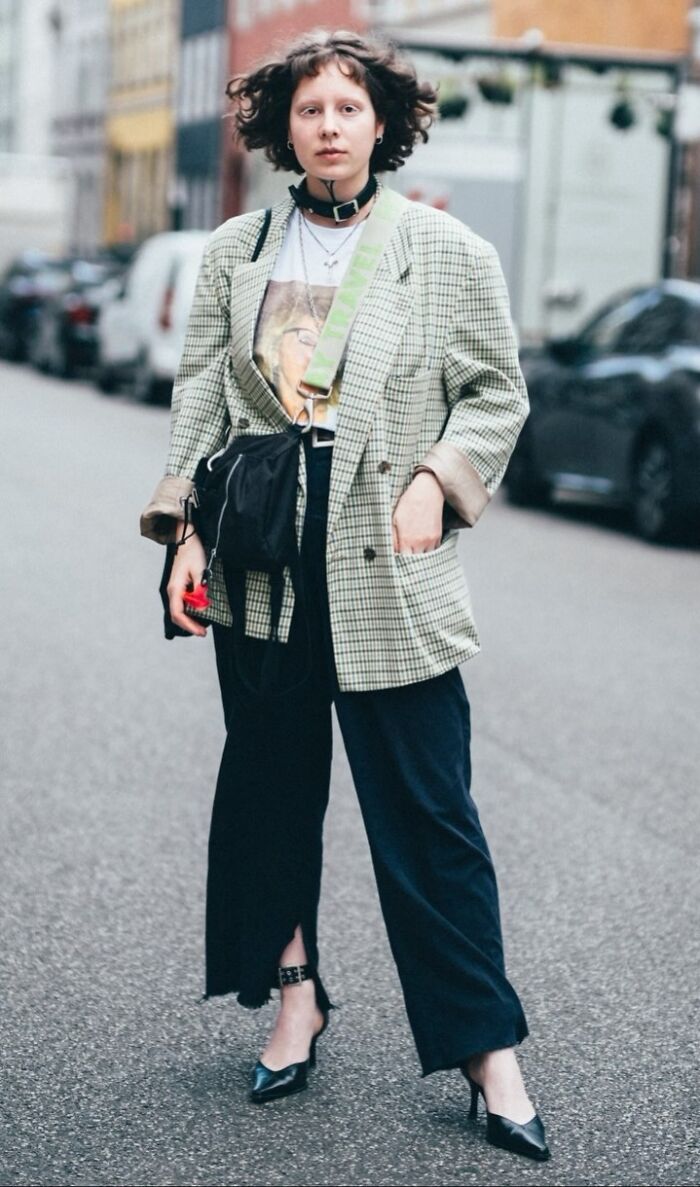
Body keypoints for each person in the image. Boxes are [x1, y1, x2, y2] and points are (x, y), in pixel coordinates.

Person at [140, 29, 550, 1164]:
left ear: (384, 124)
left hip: (387, 560)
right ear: (283, 127)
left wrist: (439, 478)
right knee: (271, 795)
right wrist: (180, 533)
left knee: (430, 815)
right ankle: (294, 994)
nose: (328, 124)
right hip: (259, 555)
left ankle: (486, 1049)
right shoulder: (236, 249)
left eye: (348, 107)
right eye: (308, 108)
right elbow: (200, 401)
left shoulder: (444, 249)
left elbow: (494, 393)